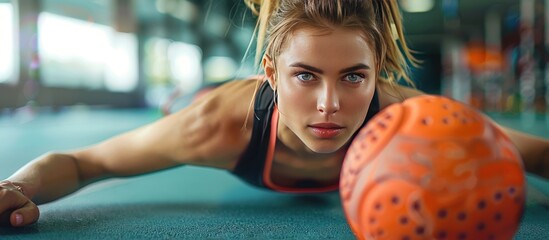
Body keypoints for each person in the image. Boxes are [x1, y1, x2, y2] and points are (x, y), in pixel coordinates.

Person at [1, 0, 548, 228]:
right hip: (208, 96)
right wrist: (15, 186)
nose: (330, 105)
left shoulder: (409, 114)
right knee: (186, 98)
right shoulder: (214, 125)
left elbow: (533, 152)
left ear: (377, 71)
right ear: (271, 71)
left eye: (353, 76)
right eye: (305, 75)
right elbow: (81, 161)